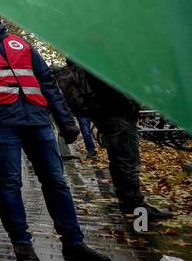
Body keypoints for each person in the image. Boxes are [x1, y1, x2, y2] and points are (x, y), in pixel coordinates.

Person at [0, 1, 112, 261]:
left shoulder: (19, 43)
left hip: (37, 121)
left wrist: (64, 119)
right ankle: (22, 245)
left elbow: (46, 80)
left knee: (56, 181)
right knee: (10, 182)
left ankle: (74, 243)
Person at [64, 59, 170, 221]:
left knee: (119, 158)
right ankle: (135, 205)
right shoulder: (96, 60)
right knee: (128, 159)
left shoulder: (83, 58)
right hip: (116, 113)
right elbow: (109, 89)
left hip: (107, 114)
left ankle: (127, 201)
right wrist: (129, 104)